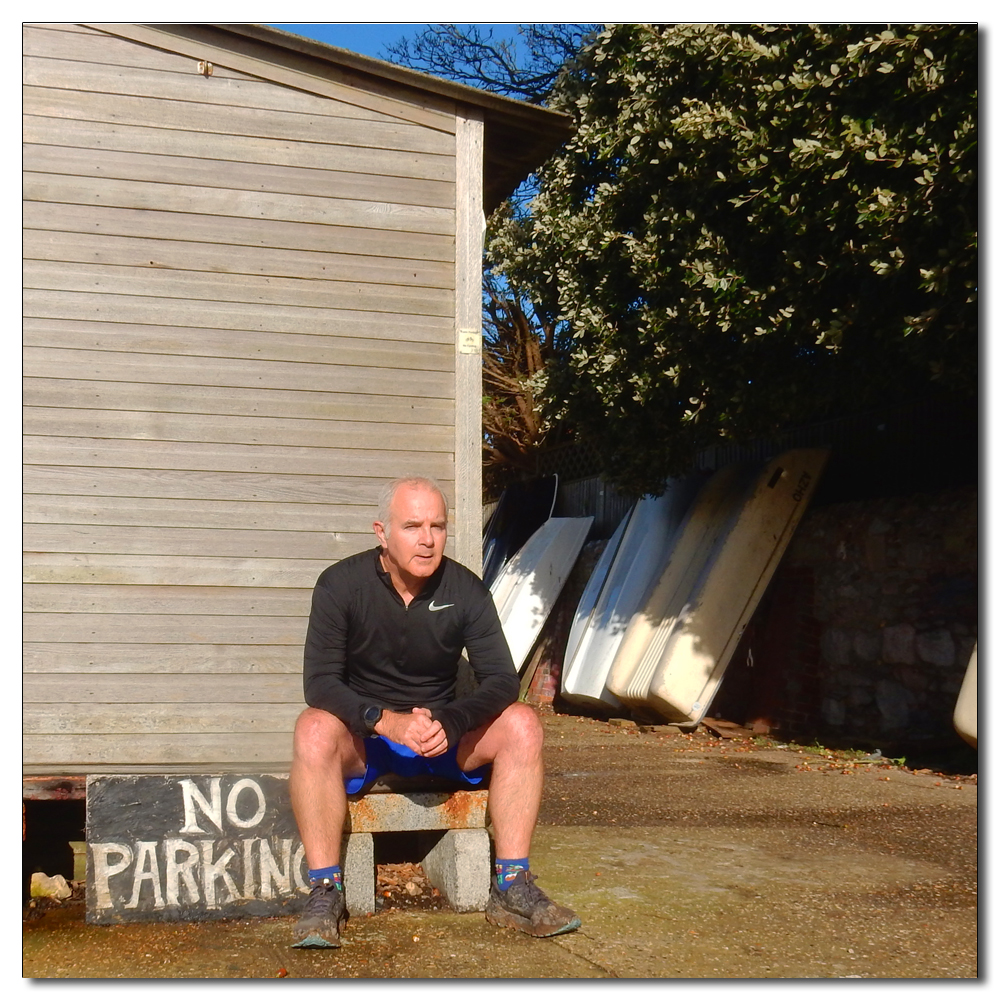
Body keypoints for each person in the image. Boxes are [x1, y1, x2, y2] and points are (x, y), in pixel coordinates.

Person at [289, 475, 581, 948]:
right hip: (371, 742)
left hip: (445, 740)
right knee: (313, 729)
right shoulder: (340, 585)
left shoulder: (465, 588)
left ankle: (510, 886)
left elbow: (502, 680)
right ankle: (326, 890)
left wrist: (452, 720)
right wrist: (387, 721)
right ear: (382, 532)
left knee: (523, 724)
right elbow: (319, 683)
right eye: (412, 526)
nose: (427, 539)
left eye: (437, 526)